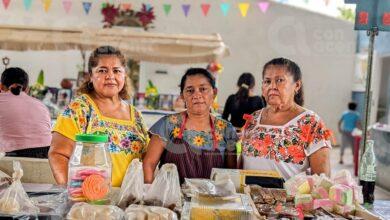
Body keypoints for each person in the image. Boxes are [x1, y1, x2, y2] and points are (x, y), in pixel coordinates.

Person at [49, 46, 149, 187]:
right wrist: (74, 194)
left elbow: (147, 160)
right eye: (102, 70)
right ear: (90, 76)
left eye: (116, 71)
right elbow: (58, 154)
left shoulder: (136, 115)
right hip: (91, 203)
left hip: (130, 201)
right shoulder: (80, 109)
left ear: (124, 75)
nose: (110, 76)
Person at [240, 58, 332, 180]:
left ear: (297, 85)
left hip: (290, 199)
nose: (272, 86)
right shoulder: (253, 119)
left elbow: (322, 179)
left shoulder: (310, 122)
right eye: (267, 81)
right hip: (248, 198)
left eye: (280, 80)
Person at [143, 68, 238, 183]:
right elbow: (149, 164)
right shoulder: (167, 124)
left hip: (213, 200)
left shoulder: (227, 130)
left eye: (203, 89)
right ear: (182, 95)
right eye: (190, 90)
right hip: (173, 199)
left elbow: (232, 174)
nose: (197, 95)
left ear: (214, 92)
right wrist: (149, 194)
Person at [0, 67, 51, 158]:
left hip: (12, 160)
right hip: (46, 158)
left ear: (1, 86)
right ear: (27, 89)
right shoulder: (41, 105)